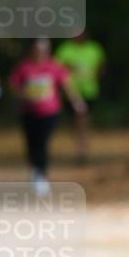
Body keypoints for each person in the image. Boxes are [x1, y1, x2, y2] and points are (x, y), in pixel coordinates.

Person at [10, 37, 87, 195]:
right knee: (32, 144)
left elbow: (67, 85)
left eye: (44, 49)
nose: (40, 52)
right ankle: (34, 169)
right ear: (32, 50)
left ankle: (41, 175)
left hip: (49, 112)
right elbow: (13, 86)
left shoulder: (54, 67)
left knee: (43, 143)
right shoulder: (24, 67)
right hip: (29, 112)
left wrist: (77, 102)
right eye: (37, 49)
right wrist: (23, 94)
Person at [55, 33, 106, 163]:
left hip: (90, 91)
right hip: (71, 92)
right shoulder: (65, 49)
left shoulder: (94, 49)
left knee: (83, 118)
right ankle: (81, 145)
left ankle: (82, 147)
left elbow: (101, 66)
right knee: (77, 119)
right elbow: (58, 70)